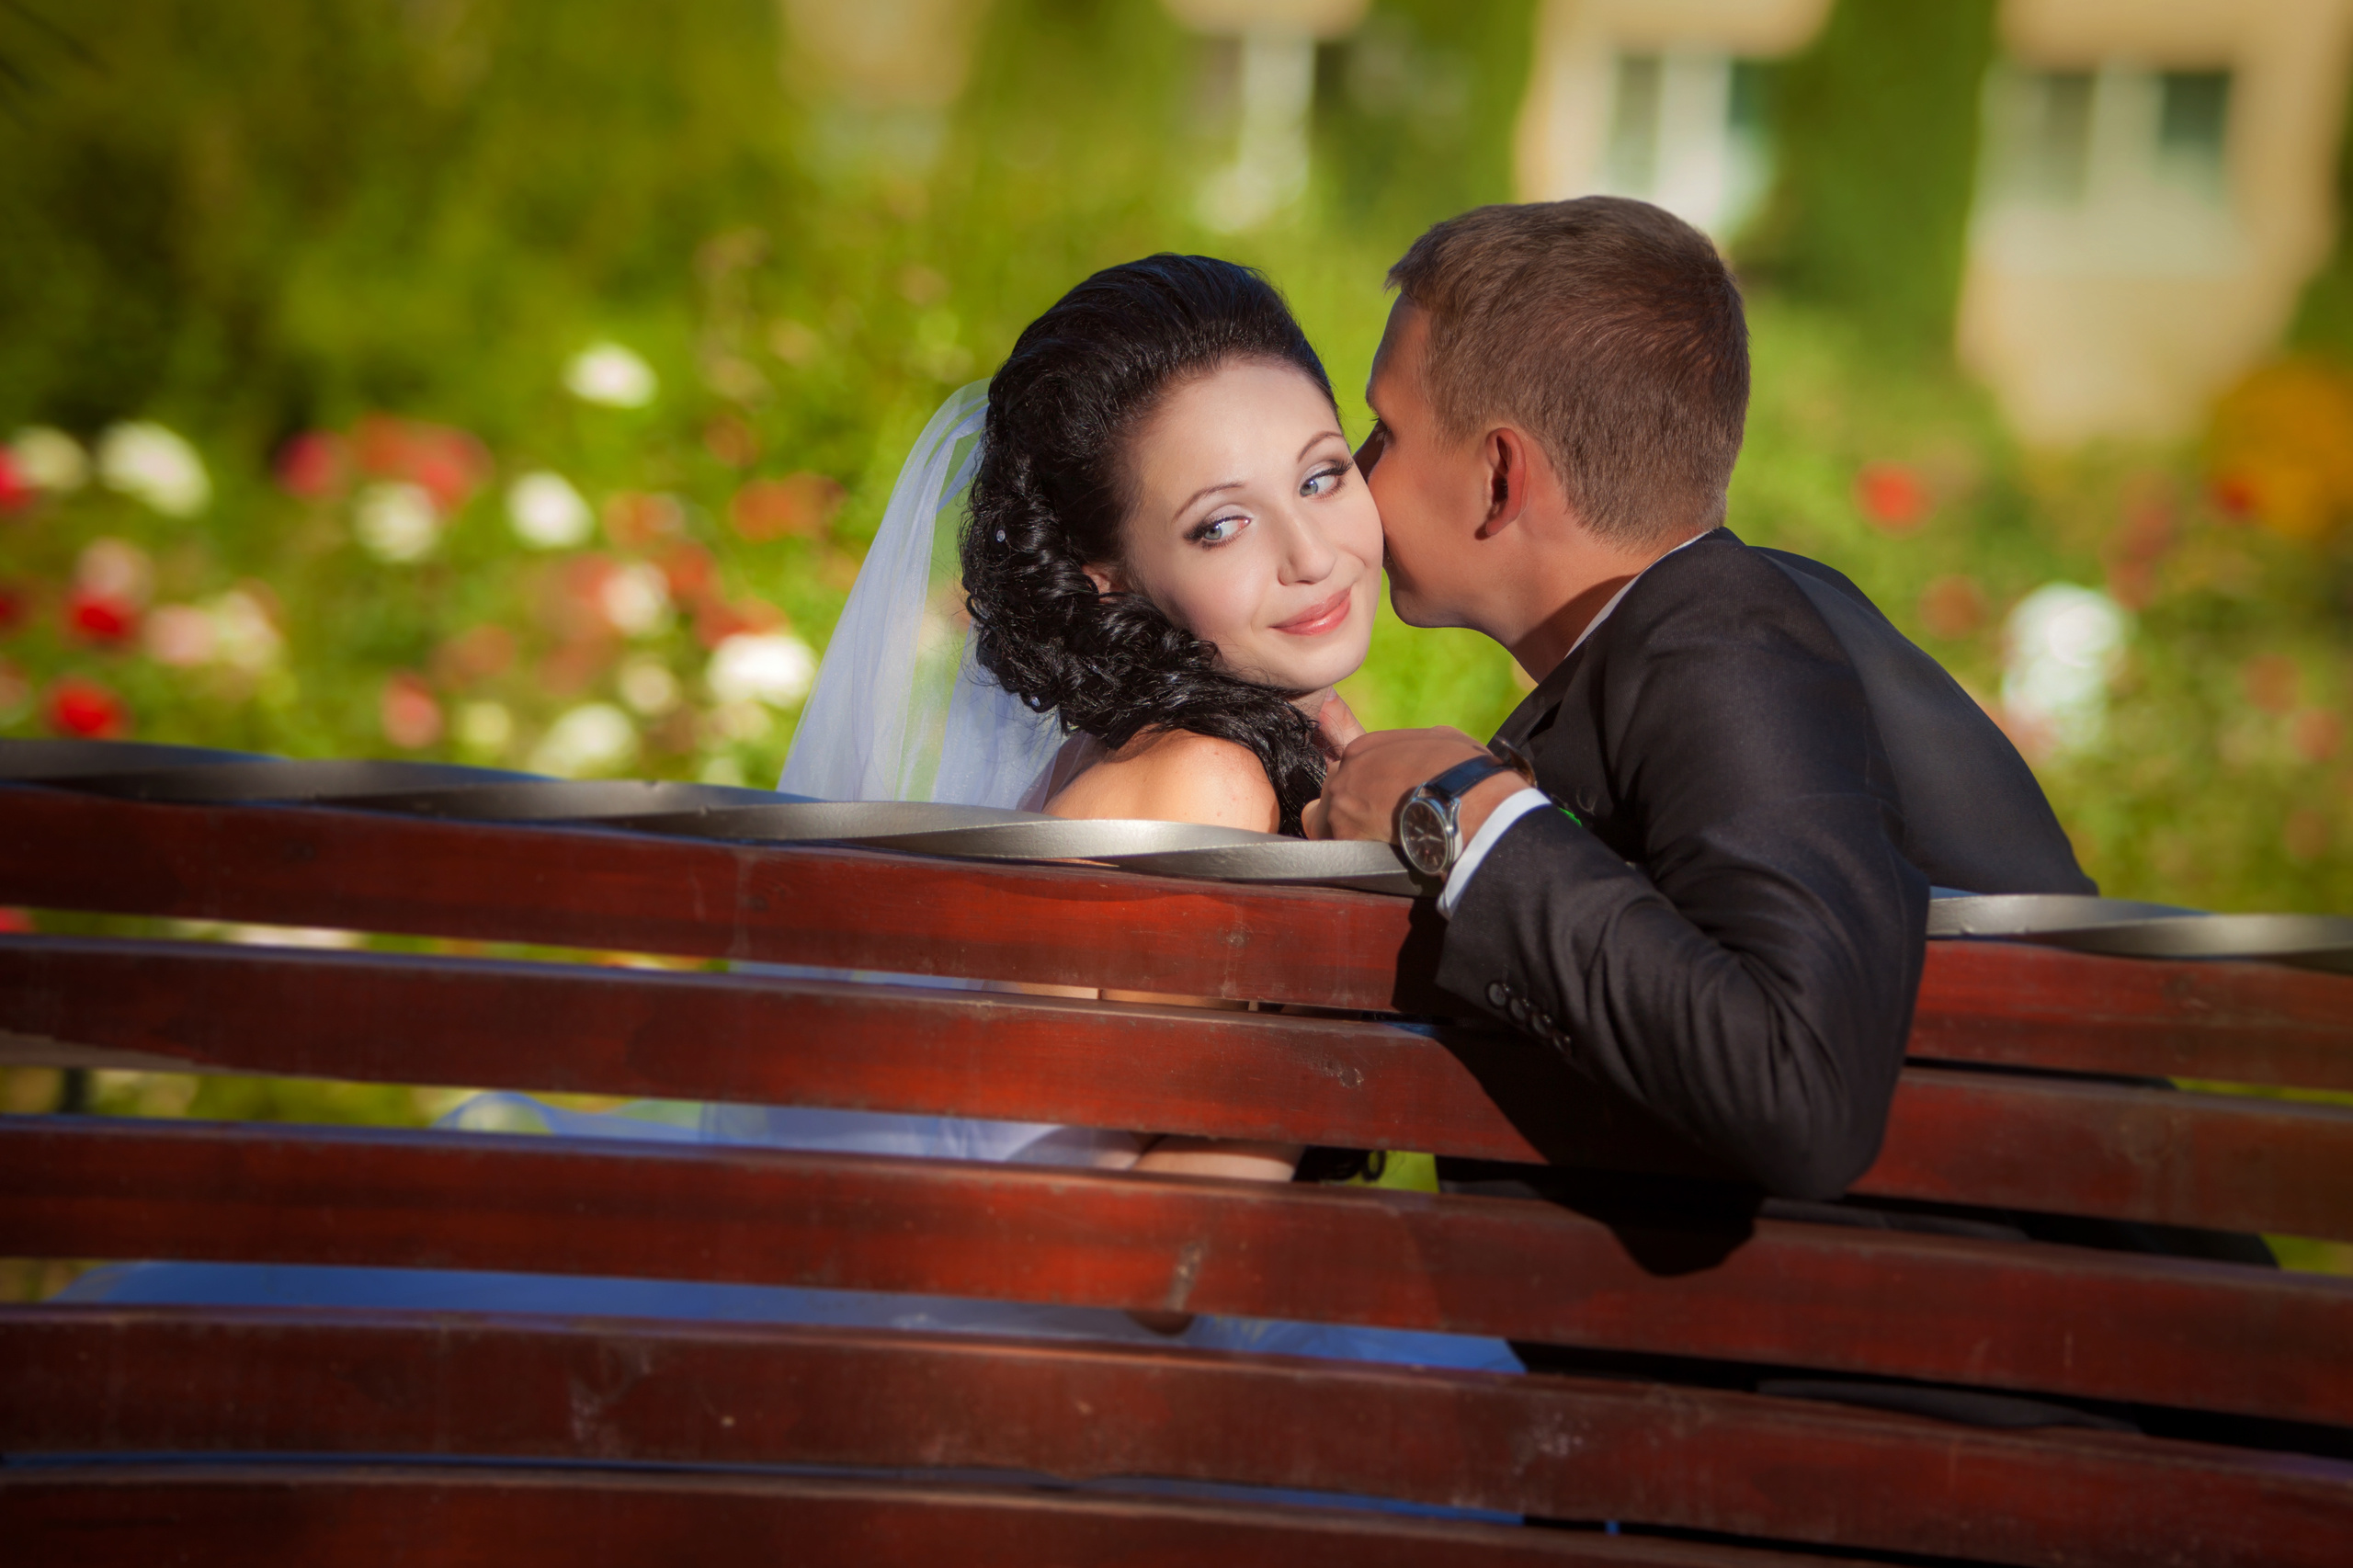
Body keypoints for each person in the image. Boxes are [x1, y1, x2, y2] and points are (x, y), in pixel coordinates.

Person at [68, 255, 1519, 1396]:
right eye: (1219, 524)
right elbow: (1157, 1270)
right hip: (1022, 1388)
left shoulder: (1190, 745)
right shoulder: (1194, 786)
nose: (1313, 548)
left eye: (1324, 472)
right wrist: (1335, 1045)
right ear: (1105, 573)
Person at [1308, 197, 2095, 1202]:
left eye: (1383, 431)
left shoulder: (1723, 644)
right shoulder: (1731, 620)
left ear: (1500, 478)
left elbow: (1796, 1088)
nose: (1359, 480)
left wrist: (1467, 820)